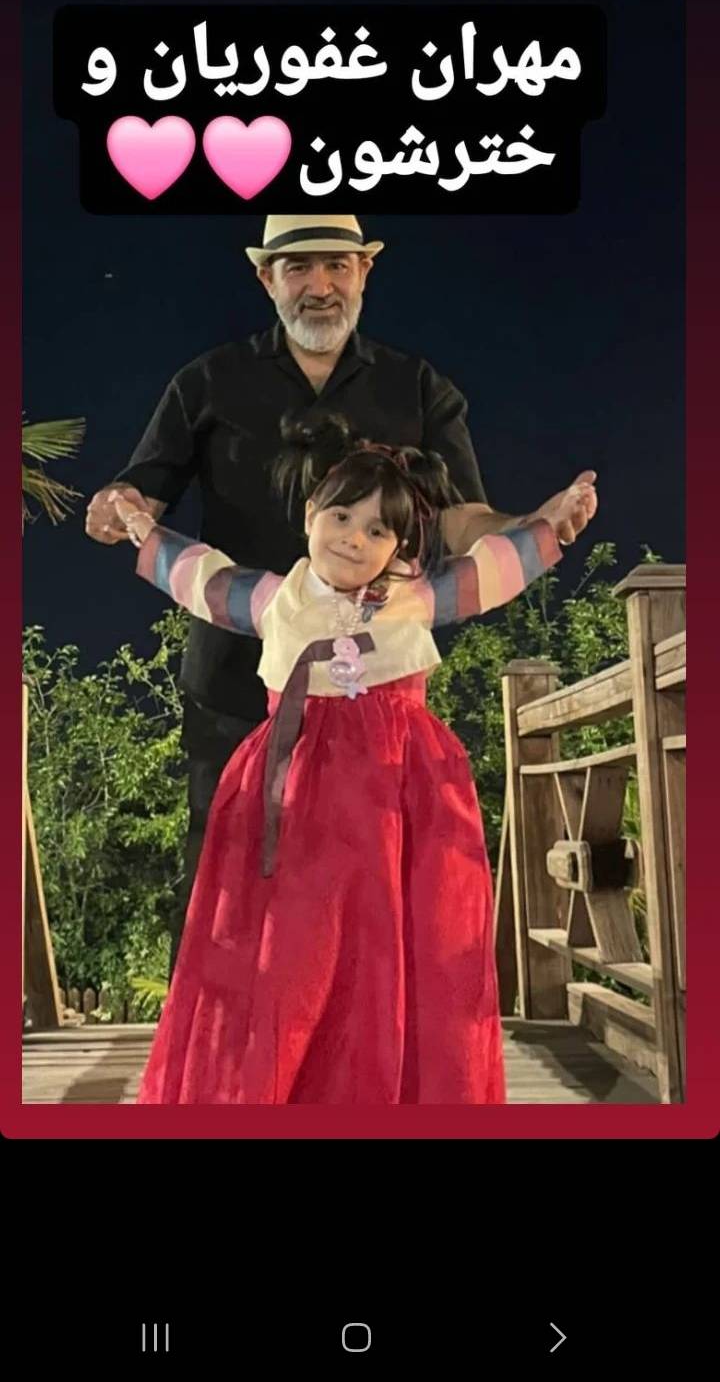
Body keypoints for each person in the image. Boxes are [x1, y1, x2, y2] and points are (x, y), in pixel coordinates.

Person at [86, 213, 562, 977]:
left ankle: (352, 1043)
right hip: (236, 680)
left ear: (364, 272)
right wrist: (120, 504)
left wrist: (530, 528)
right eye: (299, 267)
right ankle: (222, 1046)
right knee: (226, 871)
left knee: (366, 883)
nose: (320, 285)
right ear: (266, 278)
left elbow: (463, 517)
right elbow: (145, 490)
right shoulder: (207, 381)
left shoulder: (417, 387)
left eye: (337, 265)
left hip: (369, 699)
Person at [110, 412, 597, 1104]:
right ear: (311, 513)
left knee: (394, 940)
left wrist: (552, 527)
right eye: (342, 517)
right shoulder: (278, 599)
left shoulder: (411, 599)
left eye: (377, 531)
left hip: (401, 791)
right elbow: (203, 578)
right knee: (294, 949)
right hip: (294, 791)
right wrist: (143, 529)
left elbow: (487, 571)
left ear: (398, 544)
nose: (354, 539)